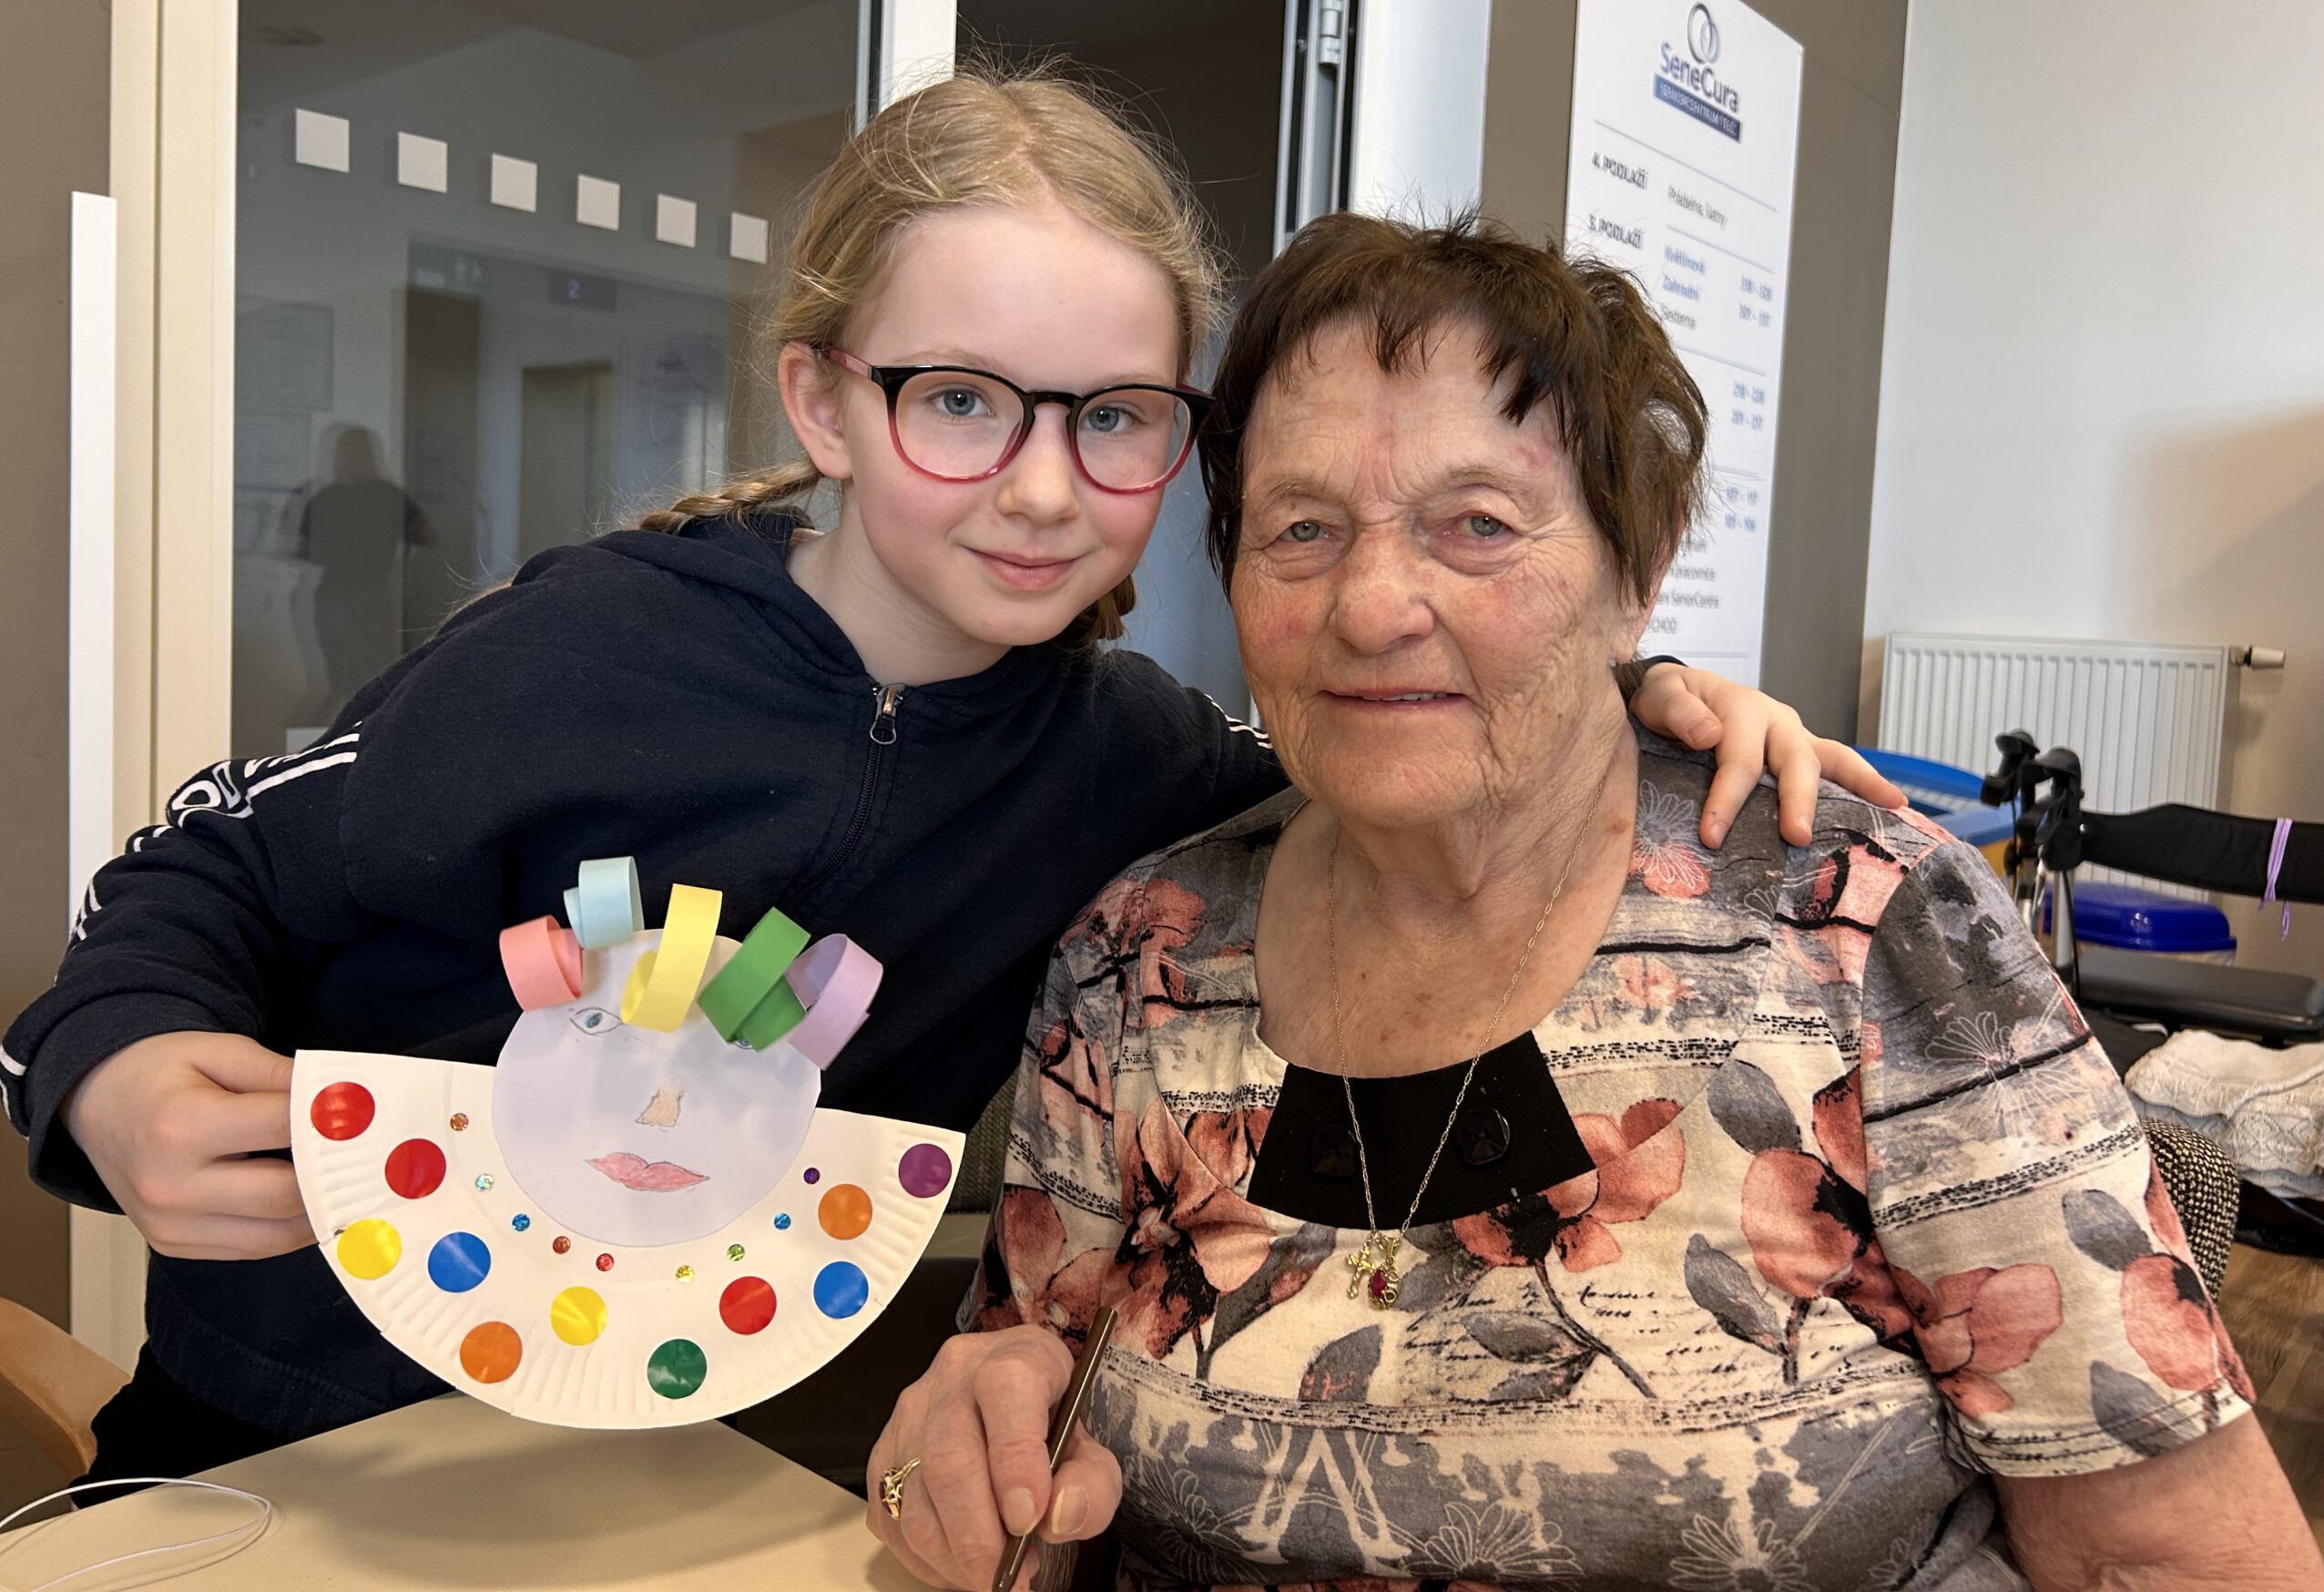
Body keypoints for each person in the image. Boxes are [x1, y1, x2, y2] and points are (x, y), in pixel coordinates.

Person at [1, 74, 1893, 1495]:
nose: (1046, 488)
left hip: (689, 1483)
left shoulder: (1137, 764)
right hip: (284, 1445)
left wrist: (1625, 696)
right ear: (823, 402)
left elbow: (1384, 761)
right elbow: (204, 868)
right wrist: (116, 1068)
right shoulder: (570, 650)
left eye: (1117, 419)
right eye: (961, 401)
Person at [870, 212, 2321, 1591]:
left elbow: (2166, 1560)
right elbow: (1028, 1468)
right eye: (1301, 529)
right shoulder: (1137, 960)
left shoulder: (1867, 928)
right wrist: (964, 1467)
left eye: (1477, 524)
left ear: (1638, 567)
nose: (1370, 607)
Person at [293, 424, 433, 718]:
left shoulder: (328, 497)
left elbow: (302, 551)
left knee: (347, 680)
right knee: (365, 680)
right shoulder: (386, 496)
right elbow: (425, 536)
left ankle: (337, 732)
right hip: (362, 596)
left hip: (342, 597)